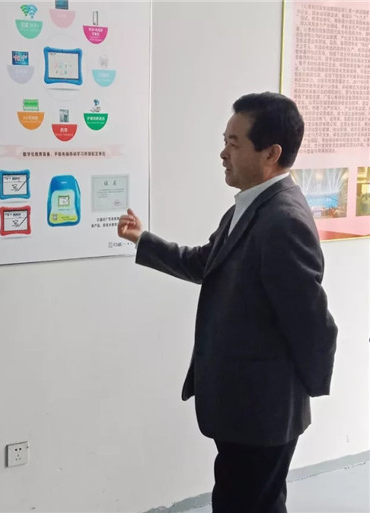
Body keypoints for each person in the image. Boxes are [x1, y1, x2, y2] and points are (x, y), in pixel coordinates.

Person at [117, 92, 337, 513]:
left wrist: (299, 391)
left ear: (271, 153)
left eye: (234, 144)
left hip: (263, 410)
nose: (223, 154)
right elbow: (206, 263)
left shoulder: (283, 221)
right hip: (244, 406)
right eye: (225, 141)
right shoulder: (251, 206)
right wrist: (143, 240)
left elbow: (314, 324)